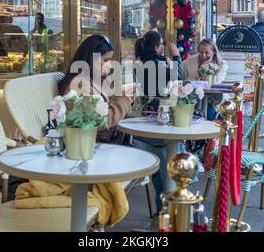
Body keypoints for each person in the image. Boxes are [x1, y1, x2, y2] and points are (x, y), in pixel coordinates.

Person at [133, 30, 183, 213]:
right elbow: (178, 78)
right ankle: (169, 207)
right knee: (166, 161)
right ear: (156, 47)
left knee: (157, 165)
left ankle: (162, 206)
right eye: (161, 43)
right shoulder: (159, 64)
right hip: (161, 116)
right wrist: (177, 57)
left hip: (144, 117)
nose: (163, 46)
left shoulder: (139, 65)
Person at [58, 35, 134, 137]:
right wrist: (125, 99)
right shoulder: (80, 85)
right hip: (94, 145)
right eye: (106, 60)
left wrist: (123, 96)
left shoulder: (92, 80)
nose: (110, 66)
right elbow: (98, 122)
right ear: (91, 58)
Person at [184, 38, 228, 120]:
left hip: (213, 100)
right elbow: (185, 79)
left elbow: (216, 82)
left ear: (214, 52)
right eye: (201, 52)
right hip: (192, 98)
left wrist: (206, 68)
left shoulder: (222, 64)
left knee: (210, 114)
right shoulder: (189, 62)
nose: (203, 55)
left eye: (207, 52)